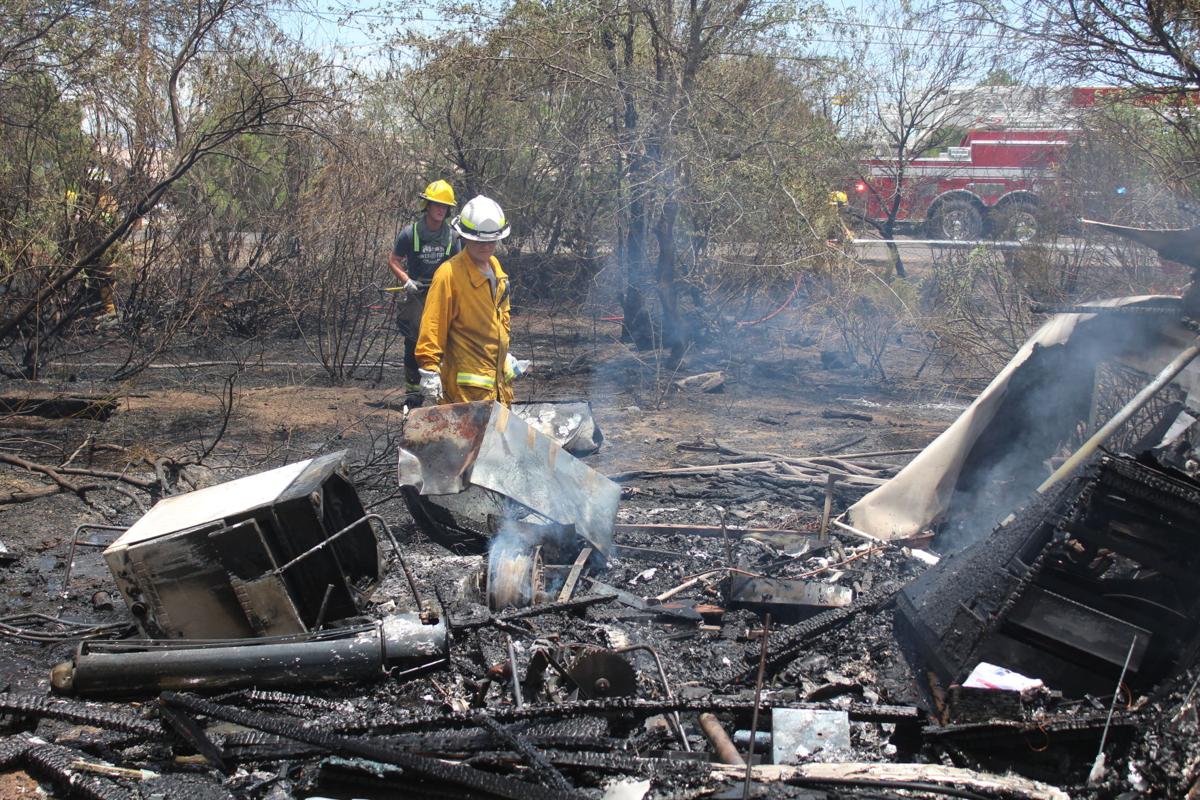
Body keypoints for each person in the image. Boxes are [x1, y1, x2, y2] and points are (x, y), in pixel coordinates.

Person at [415, 195, 529, 406]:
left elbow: (498, 322)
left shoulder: (497, 270)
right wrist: (429, 369)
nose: (485, 247)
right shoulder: (449, 275)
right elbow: (433, 324)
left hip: (498, 391)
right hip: (465, 397)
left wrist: (502, 354)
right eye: (479, 241)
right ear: (464, 236)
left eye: (491, 241)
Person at [389, 180, 461, 394]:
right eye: (436, 205)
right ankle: (413, 392)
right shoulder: (409, 234)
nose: (440, 209)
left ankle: (445, 390)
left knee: (448, 341)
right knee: (414, 341)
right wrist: (406, 280)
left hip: (443, 296)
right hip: (417, 295)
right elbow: (394, 260)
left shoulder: (453, 237)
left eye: (444, 206)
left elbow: (459, 267)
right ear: (427, 206)